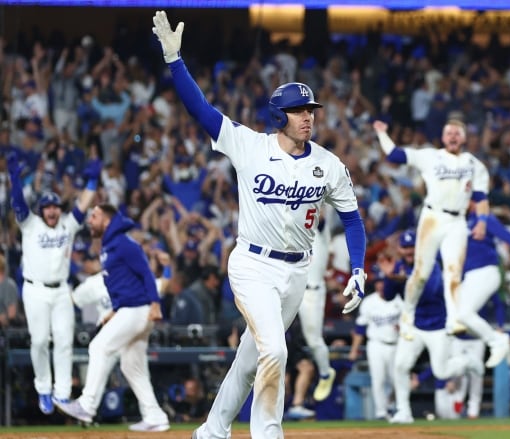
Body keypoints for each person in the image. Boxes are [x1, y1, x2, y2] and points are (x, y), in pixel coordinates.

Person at [152, 11, 367, 439]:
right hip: (252, 265)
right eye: (298, 110)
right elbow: (202, 111)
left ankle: (211, 431)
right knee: (275, 350)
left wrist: (359, 267)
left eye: (311, 109)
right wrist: (175, 60)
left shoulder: (329, 164)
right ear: (278, 116)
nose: (308, 116)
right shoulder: (251, 146)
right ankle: (268, 433)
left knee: (251, 360)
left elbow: (352, 219)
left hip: (296, 273)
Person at [55, 204, 170, 432]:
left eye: (94, 216)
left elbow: (146, 274)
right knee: (132, 366)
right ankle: (155, 416)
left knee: (98, 347)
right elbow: (122, 285)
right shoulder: (109, 245)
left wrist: (156, 303)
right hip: (130, 309)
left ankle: (87, 405)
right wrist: (115, 310)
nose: (90, 220)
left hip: (139, 310)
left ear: (106, 221)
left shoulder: (125, 244)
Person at [373, 119, 490, 335]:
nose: (453, 136)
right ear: (443, 137)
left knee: (453, 271)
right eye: (449, 133)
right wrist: (382, 133)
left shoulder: (475, 165)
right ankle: (407, 315)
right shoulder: (430, 156)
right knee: (421, 274)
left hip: (457, 221)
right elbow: (395, 155)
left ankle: (453, 320)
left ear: (464, 138)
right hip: (432, 217)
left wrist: (482, 221)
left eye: (457, 132)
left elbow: (481, 198)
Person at [8, 152, 101, 414]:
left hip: (61, 291)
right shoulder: (30, 224)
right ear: (41, 210)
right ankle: (43, 389)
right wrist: (14, 180)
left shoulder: (68, 226)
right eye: (48, 207)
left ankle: (61, 393)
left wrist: (92, 183)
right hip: (35, 289)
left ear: (60, 210)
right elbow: (17, 203)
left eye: (55, 207)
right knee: (39, 341)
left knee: (63, 340)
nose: (52, 210)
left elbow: (83, 205)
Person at [380, 229, 483, 424]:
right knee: (401, 365)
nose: (409, 252)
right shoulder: (399, 266)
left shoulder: (430, 264)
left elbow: (429, 292)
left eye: (412, 247)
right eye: (405, 248)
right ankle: (403, 411)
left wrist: (402, 279)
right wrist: (389, 278)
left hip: (437, 326)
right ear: (400, 249)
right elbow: (387, 296)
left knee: (441, 372)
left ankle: (467, 361)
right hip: (414, 325)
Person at [458, 201, 510, 368]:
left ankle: (497, 341)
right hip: (470, 276)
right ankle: (472, 359)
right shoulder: (460, 221)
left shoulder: (484, 218)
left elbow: (507, 236)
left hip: (486, 271)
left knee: (463, 314)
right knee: (455, 320)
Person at [348, 273, 403, 420]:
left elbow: (410, 322)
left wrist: (403, 328)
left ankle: (395, 407)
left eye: (383, 282)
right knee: (378, 379)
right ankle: (381, 412)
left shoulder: (399, 299)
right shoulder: (369, 302)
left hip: (397, 344)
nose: (380, 285)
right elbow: (360, 328)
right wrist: (354, 349)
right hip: (376, 344)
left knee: (397, 379)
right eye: (378, 282)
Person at [299, 214, 337, 402]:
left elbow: (320, 217)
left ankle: (325, 373)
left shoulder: (319, 232)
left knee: (313, 340)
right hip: (288, 289)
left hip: (311, 293)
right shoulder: (291, 230)